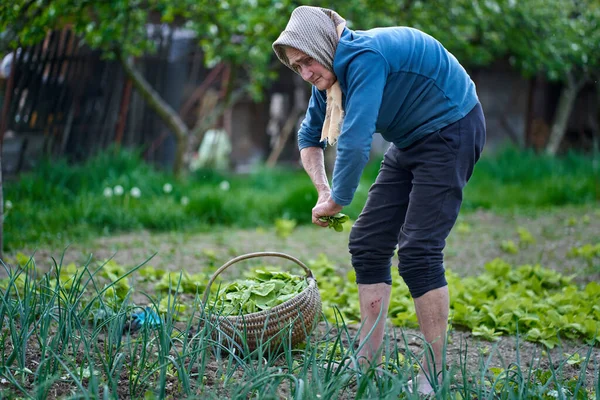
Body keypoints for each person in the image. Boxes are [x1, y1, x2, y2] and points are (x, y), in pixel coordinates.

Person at [272, 5, 486, 395]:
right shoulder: (329, 84)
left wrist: (338, 199)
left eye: (307, 62)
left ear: (324, 44)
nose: (305, 73)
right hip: (410, 138)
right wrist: (322, 190)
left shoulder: (362, 57)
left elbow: (355, 140)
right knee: (368, 242)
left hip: (452, 126)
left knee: (419, 251)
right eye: (296, 67)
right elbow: (308, 139)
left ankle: (433, 377)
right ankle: (366, 364)